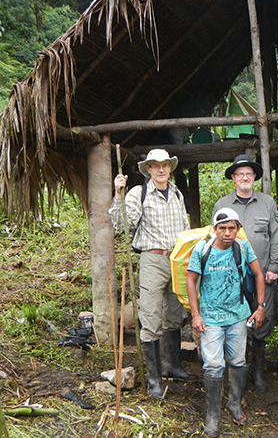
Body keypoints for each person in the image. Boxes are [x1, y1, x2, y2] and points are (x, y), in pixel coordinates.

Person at [108, 149, 197, 400]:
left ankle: (173, 366)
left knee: (173, 313)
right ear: (148, 169)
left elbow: (184, 227)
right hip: (153, 259)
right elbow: (122, 224)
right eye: (155, 166)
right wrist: (118, 194)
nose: (161, 169)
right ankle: (154, 378)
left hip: (177, 258)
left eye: (165, 165)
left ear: (170, 168)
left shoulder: (177, 192)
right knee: (150, 315)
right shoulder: (139, 193)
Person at [185, 208, 266, 437]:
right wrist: (195, 314)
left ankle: (234, 402)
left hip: (238, 316)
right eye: (223, 228)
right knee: (213, 365)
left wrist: (260, 307)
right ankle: (212, 415)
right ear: (214, 229)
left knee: (238, 360)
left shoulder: (242, 247)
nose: (227, 233)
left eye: (232, 228)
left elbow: (259, 274)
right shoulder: (202, 249)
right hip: (210, 318)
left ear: (238, 229)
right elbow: (191, 281)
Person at [212, 154, 278, 391]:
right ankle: (235, 372)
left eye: (249, 174)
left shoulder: (267, 202)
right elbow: (212, 239)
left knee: (262, 321)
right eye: (240, 174)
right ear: (233, 177)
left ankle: (258, 370)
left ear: (254, 177)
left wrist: (274, 267)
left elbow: (276, 235)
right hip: (231, 279)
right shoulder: (222, 205)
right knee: (234, 321)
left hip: (263, 274)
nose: (245, 177)